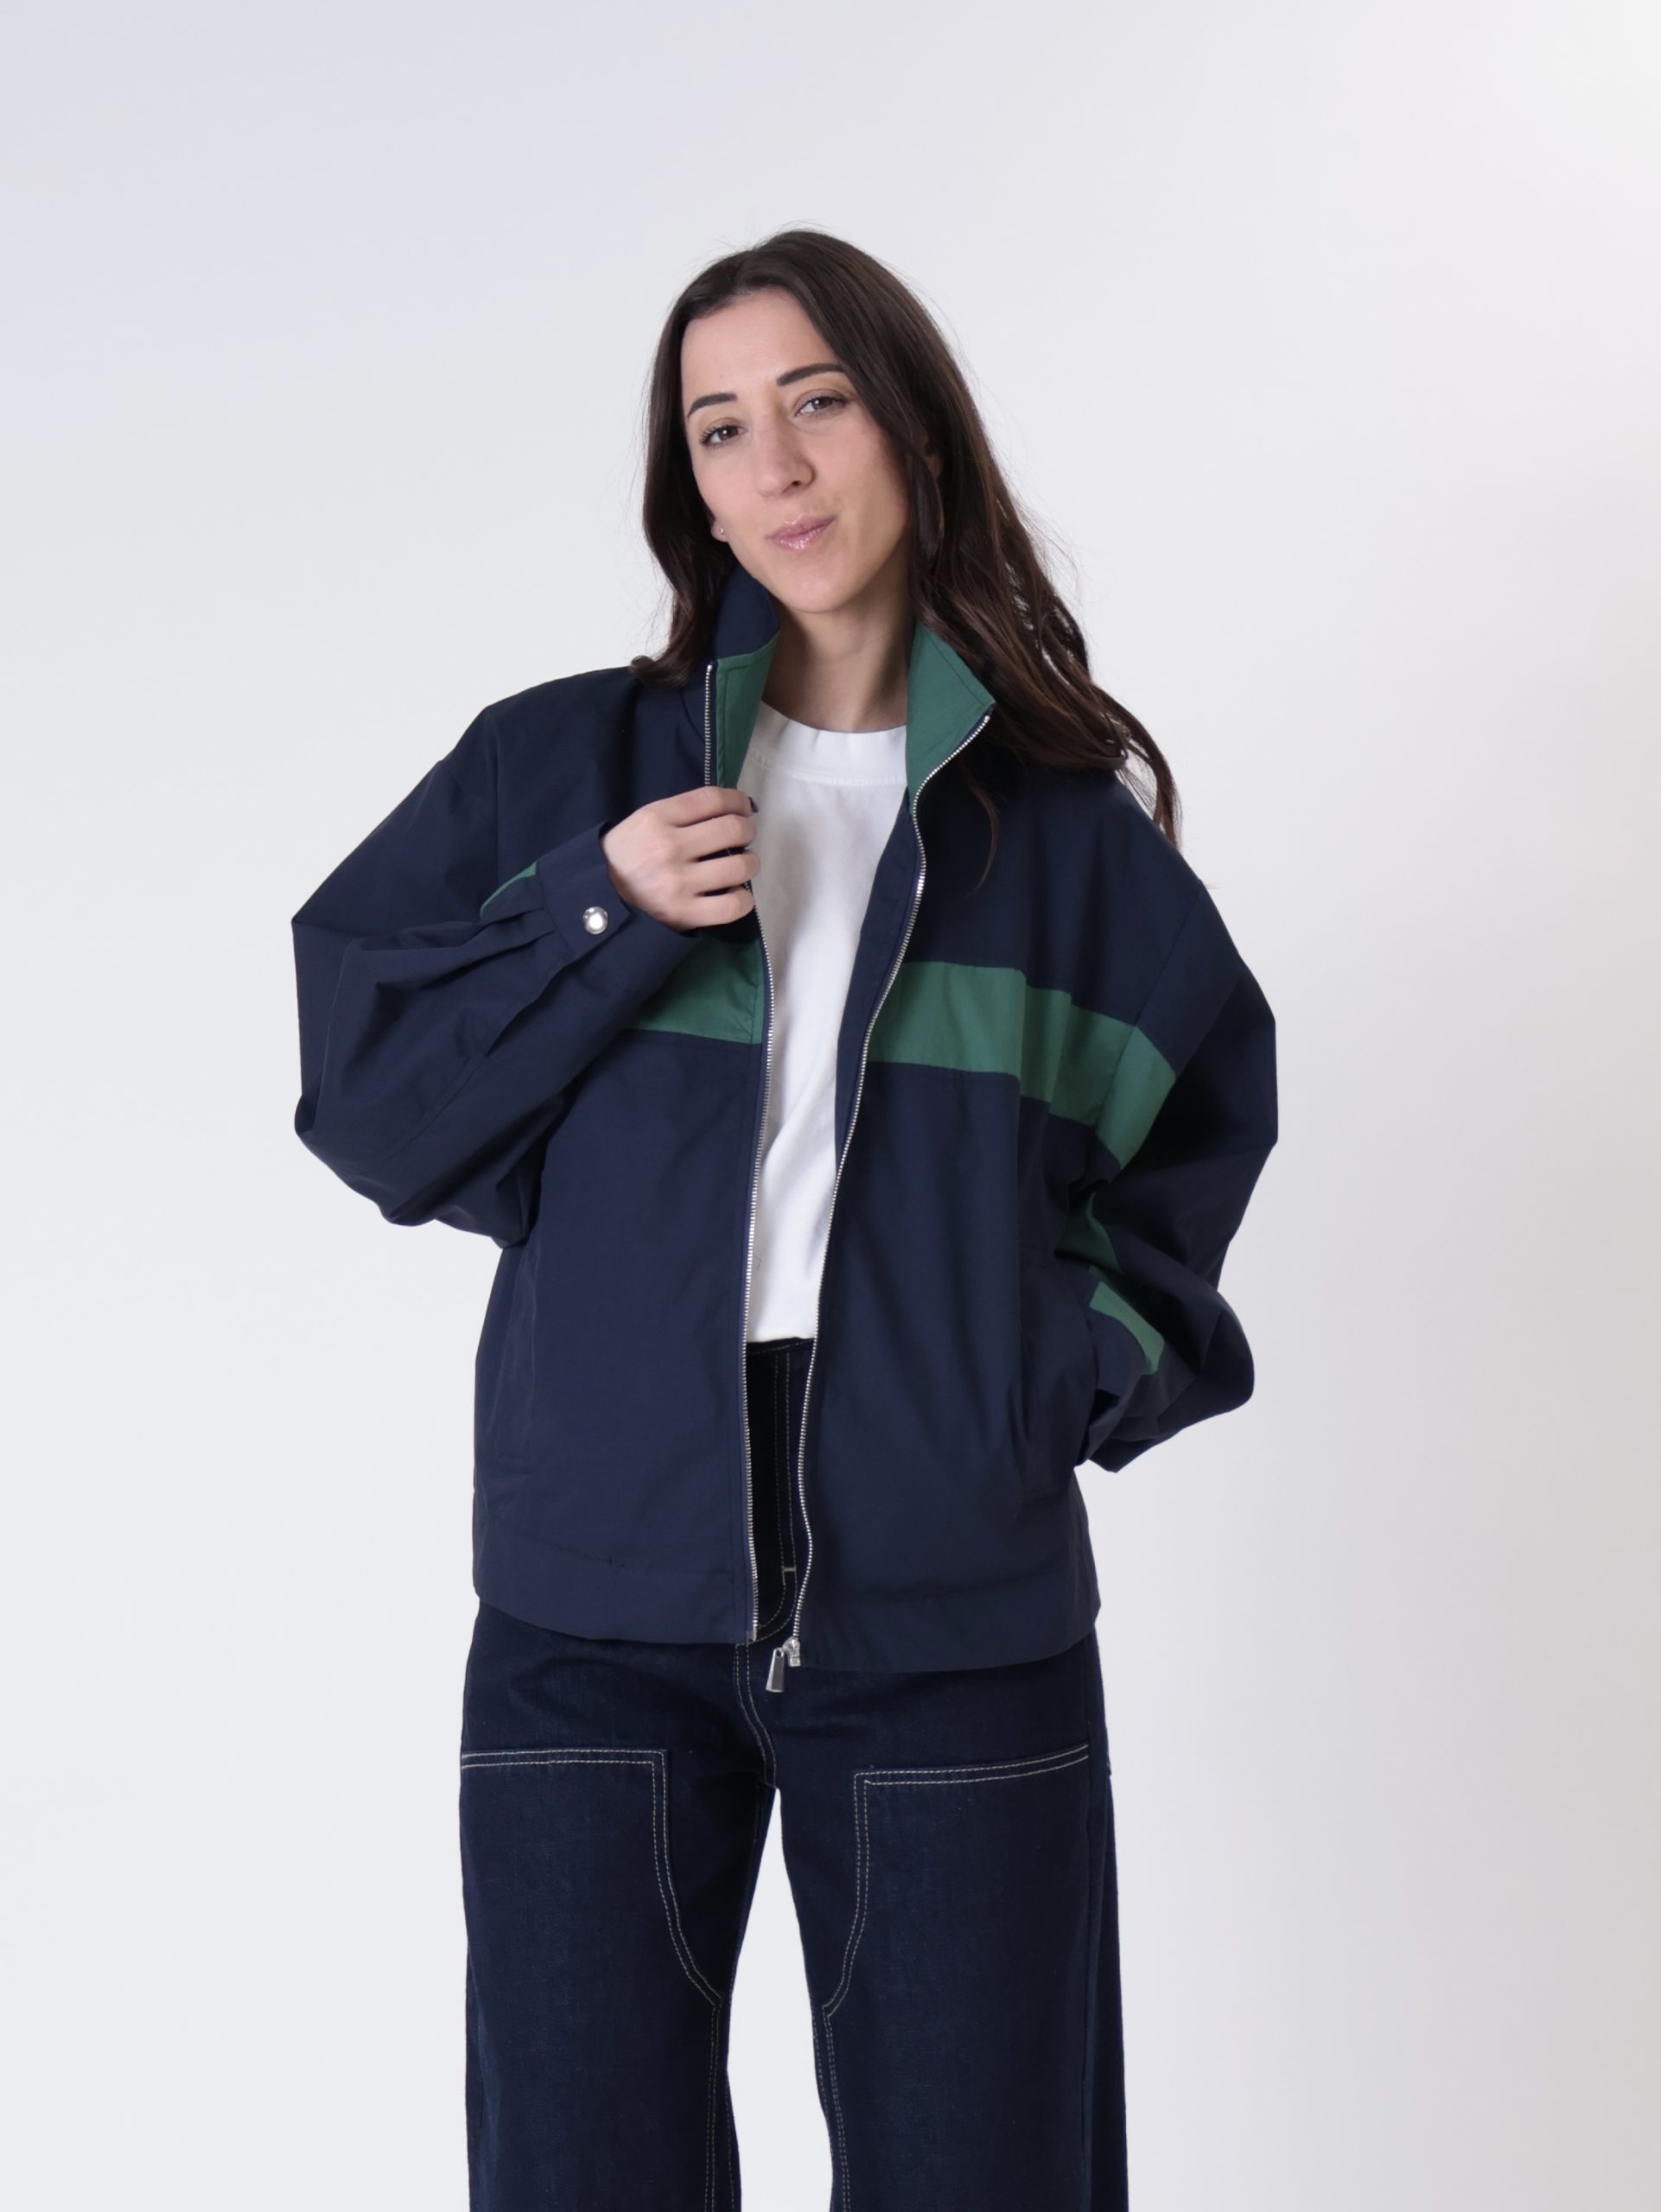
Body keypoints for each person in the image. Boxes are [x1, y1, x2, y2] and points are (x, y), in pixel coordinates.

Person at [289, 226, 1278, 2211]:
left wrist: (1037, 1383)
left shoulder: (1063, 838)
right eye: (720, 427)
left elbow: (1191, 1138)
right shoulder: (560, 768)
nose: (779, 465)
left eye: (818, 402)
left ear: (912, 427)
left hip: (948, 1593)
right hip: (593, 1595)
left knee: (983, 2173)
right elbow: (377, 1104)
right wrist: (599, 909)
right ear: (692, 483)